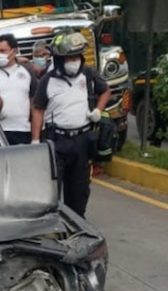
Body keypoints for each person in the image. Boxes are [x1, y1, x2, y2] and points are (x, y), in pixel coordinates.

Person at [31, 31, 111, 218]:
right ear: (59, 60)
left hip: (82, 141)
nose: (73, 61)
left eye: (76, 57)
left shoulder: (89, 75)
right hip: (56, 141)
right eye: (69, 58)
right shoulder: (47, 80)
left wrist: (98, 110)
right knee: (51, 191)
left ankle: (76, 226)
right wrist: (35, 140)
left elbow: (105, 91)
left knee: (79, 190)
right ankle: (53, 226)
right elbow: (38, 109)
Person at [0, 34, 37, 145]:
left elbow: (34, 103)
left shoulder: (27, 71)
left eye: (3, 51)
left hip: (22, 131)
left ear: (14, 51)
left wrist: (35, 137)